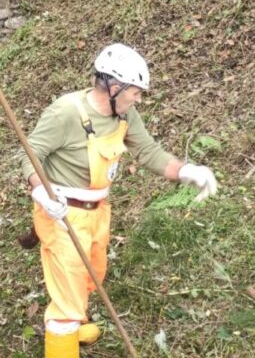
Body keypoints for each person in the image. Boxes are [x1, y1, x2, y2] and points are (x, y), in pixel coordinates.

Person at [21, 44, 219, 357]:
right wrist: (41, 191)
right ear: (114, 87)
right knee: (68, 290)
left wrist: (186, 171)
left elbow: (149, 152)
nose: (139, 99)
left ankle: (72, 326)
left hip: (98, 212)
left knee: (91, 274)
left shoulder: (124, 115)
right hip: (62, 214)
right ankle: (63, 329)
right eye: (136, 93)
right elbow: (28, 155)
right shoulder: (66, 112)